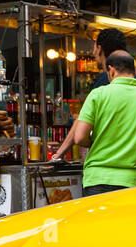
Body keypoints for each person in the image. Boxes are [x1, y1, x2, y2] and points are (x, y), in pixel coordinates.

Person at [57, 50, 136, 197]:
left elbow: (79, 137)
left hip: (97, 180)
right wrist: (135, 147)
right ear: (133, 71)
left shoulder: (98, 95)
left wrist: (97, 142)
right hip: (133, 182)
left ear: (111, 70)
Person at [51, 27, 129, 159]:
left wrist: (58, 155)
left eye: (93, 48)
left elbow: (80, 130)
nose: (93, 53)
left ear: (99, 49)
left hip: (104, 162)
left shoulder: (104, 80)